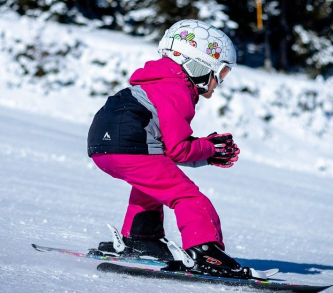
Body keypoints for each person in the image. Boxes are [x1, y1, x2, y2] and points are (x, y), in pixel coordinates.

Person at [87, 20, 244, 276]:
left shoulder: (155, 83)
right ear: (199, 64)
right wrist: (210, 149)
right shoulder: (177, 89)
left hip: (102, 147)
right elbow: (178, 150)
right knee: (188, 197)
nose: (219, 83)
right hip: (130, 144)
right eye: (222, 73)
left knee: (151, 183)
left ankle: (142, 238)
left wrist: (206, 151)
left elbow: (166, 150)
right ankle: (204, 252)